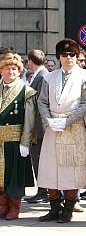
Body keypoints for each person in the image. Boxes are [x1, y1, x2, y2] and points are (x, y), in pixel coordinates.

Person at [37, 39, 86, 224]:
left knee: (71, 171)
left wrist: (66, 121)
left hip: (74, 127)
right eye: (65, 55)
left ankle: (69, 209)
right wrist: (48, 120)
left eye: (72, 54)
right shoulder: (49, 77)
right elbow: (42, 101)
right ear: (59, 57)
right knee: (50, 169)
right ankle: (54, 208)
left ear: (77, 56)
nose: (69, 58)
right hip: (53, 127)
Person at [0, 52, 36, 220]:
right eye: (7, 68)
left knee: (15, 175)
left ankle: (15, 206)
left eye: (14, 69)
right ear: (1, 70)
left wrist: (25, 142)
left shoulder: (26, 91)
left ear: (20, 71)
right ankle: (2, 205)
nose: (11, 72)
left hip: (15, 139)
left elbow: (29, 119)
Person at [22, 49, 49, 205]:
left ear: (30, 62)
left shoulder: (43, 75)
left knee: (39, 159)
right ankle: (42, 190)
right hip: (37, 126)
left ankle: (43, 191)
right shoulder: (40, 75)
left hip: (40, 126)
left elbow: (39, 101)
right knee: (37, 159)